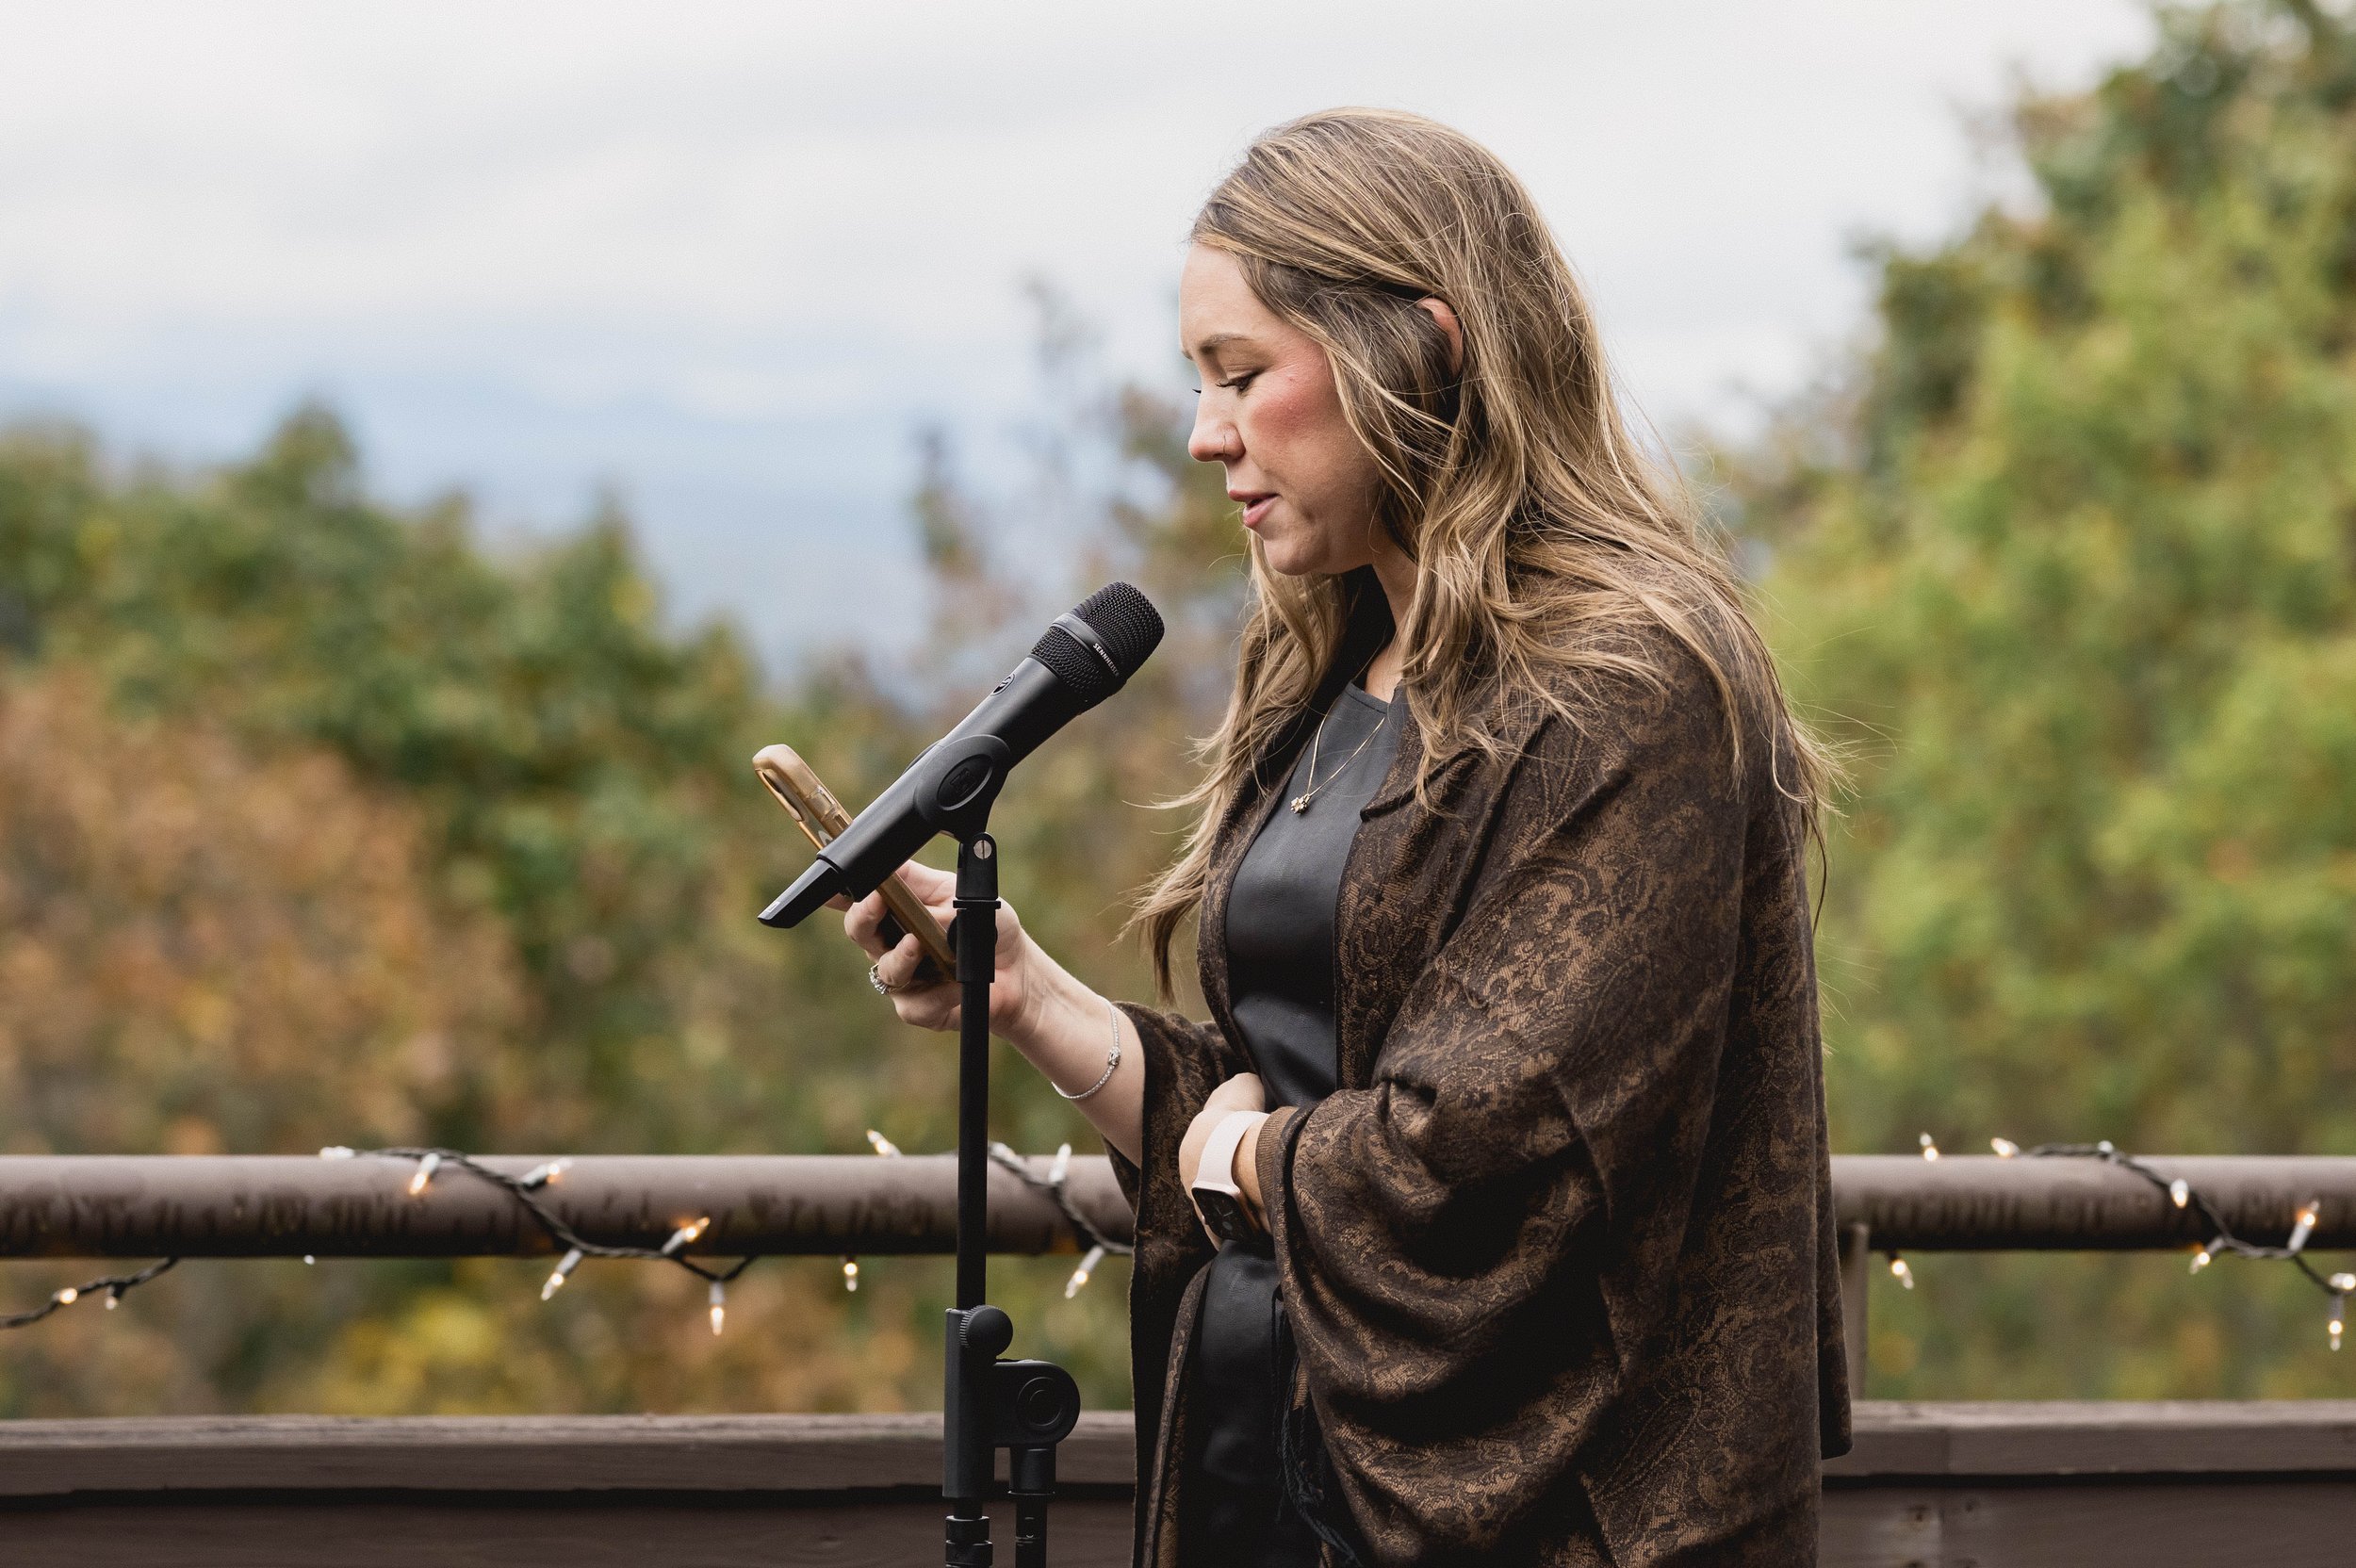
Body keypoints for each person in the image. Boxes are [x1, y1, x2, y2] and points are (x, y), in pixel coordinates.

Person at [845, 107, 1851, 1568]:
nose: (1206, 435)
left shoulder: (1632, 687)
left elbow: (1476, 1155)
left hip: (1561, 1520)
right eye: (1203, 382)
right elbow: (1291, 1098)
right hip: (1282, 1473)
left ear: (1423, 346)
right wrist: (1034, 1002)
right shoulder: (1345, 665)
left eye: (1244, 375)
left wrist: (1246, 1169)